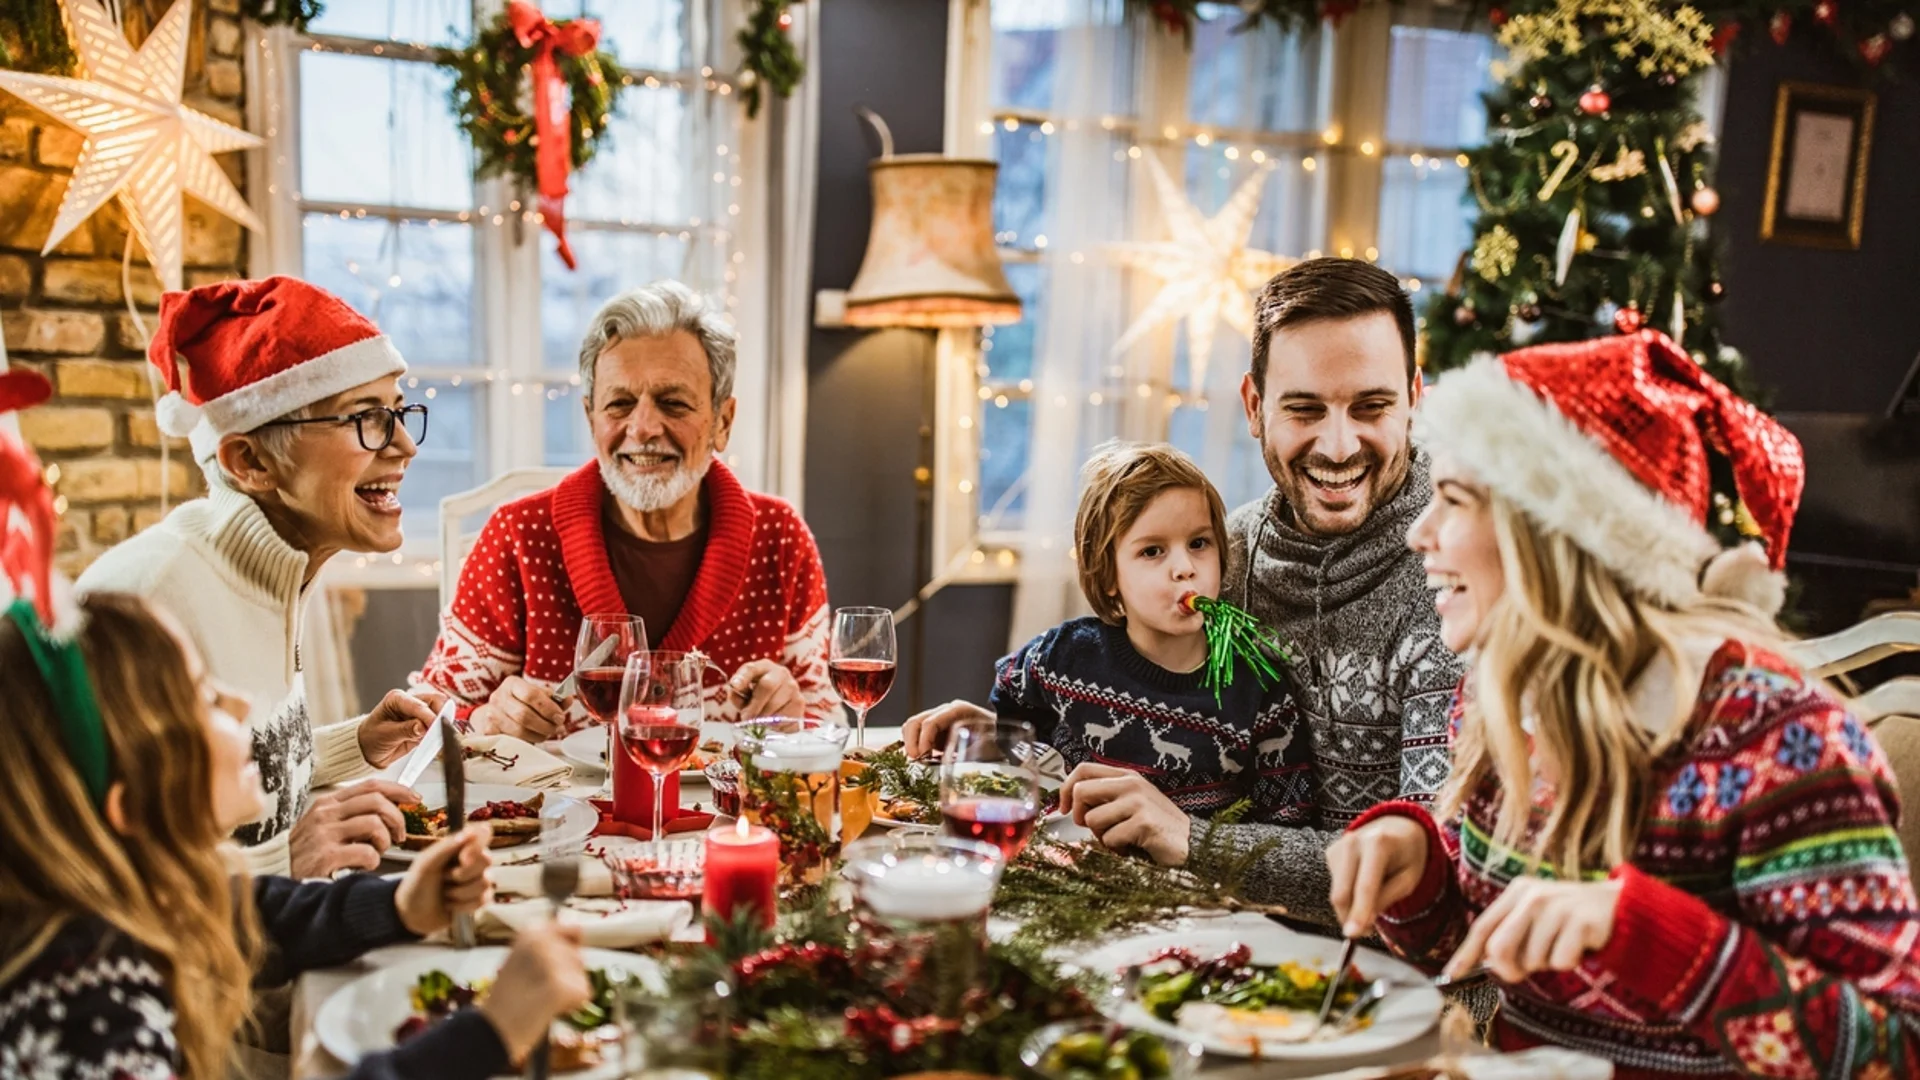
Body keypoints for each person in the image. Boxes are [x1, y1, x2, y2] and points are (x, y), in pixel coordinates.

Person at [1327, 331, 1920, 1077]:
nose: (1420, 533)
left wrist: (1644, 932)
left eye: (1452, 499)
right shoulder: (1505, 691)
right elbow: (1481, 945)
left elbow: (1895, 1054)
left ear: (1561, 536)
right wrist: (1420, 870)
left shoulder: (1778, 743)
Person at [915, 259, 1462, 921]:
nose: (1338, 445)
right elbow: (1133, 733)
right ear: (1255, 407)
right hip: (1209, 940)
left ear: (1415, 399)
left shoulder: (1462, 583)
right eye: (1305, 408)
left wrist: (1191, 840)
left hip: (1400, 986)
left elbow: (1440, 876)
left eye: (1371, 407)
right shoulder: (1220, 561)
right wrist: (1010, 747)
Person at [0, 591, 593, 1080]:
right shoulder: (90, 1025)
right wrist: (487, 1035)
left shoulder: (126, 898)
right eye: (204, 698)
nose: (239, 702)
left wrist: (398, 904)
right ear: (131, 808)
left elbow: (248, 912)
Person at [78, 277, 442, 880]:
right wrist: (283, 861)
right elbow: (86, 870)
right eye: (367, 418)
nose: (404, 444)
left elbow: (234, 788)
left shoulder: (275, 571)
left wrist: (358, 745)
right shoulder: (144, 602)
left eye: (399, 413)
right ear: (250, 462)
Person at [413, 281, 835, 735]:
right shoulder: (519, 534)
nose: (644, 427)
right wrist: (481, 719)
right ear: (591, 417)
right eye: (620, 404)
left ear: (722, 422)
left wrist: (795, 718)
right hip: (554, 807)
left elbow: (826, 720)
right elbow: (427, 719)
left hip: (727, 809)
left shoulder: (780, 536)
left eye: (673, 403)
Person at [954, 442, 1312, 827]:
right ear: (1109, 576)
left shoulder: (1259, 692)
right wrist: (988, 733)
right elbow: (1014, 719)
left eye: (1198, 543)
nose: (1184, 568)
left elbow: (1285, 819)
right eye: (1153, 551)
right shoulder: (1061, 655)